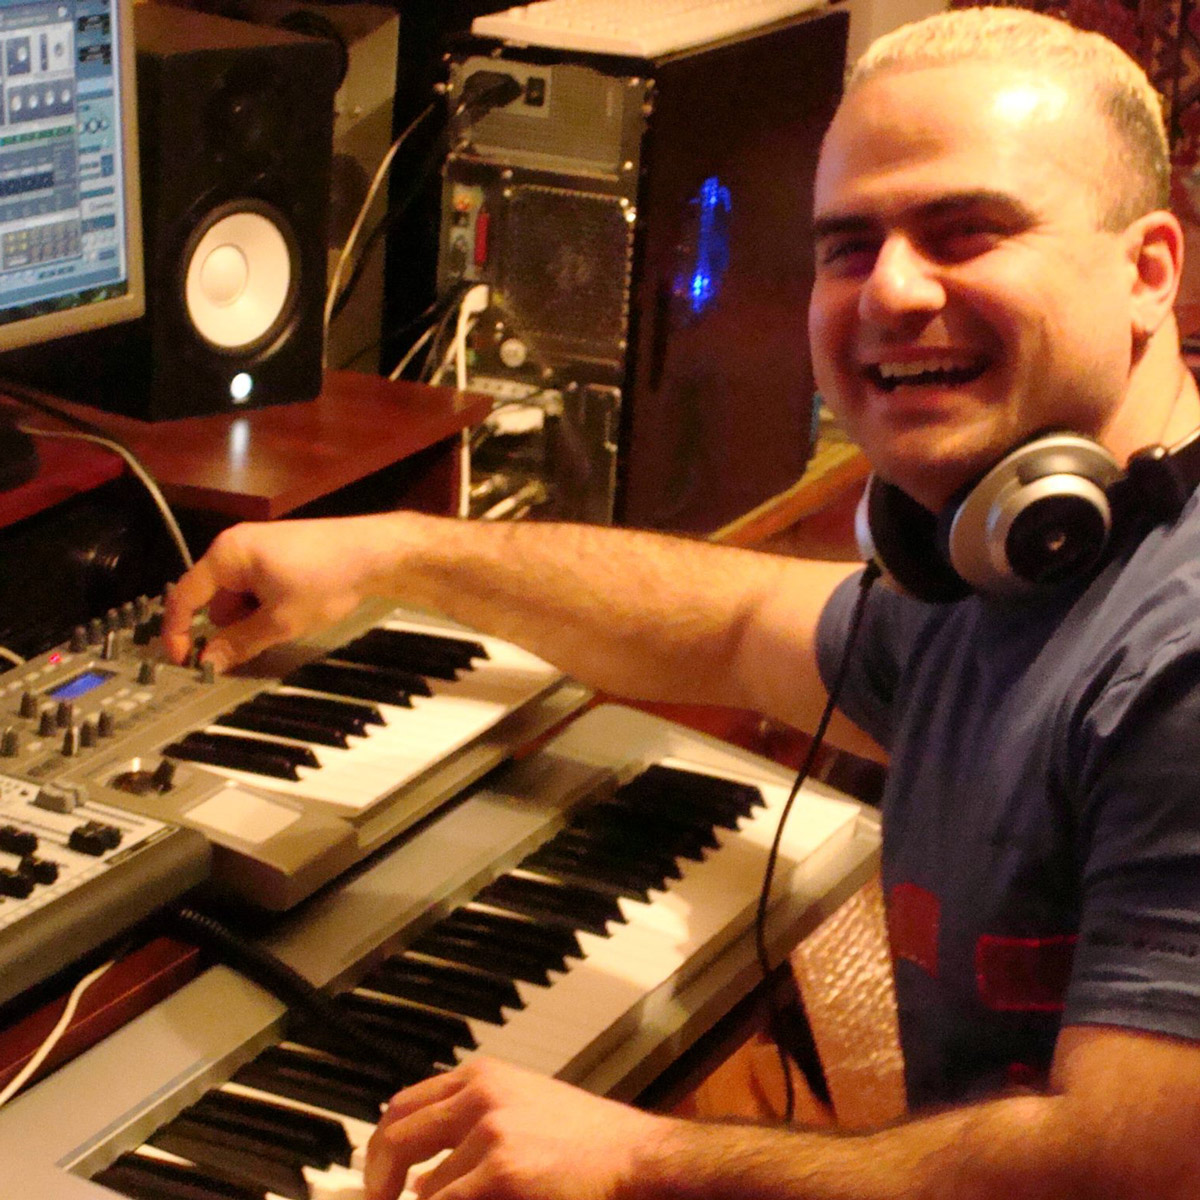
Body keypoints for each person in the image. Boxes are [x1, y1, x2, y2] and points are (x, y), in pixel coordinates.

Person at [162, 7, 1200, 1197]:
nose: (893, 291)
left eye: (966, 233)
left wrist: (638, 1157)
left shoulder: (1176, 654)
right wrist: (395, 551)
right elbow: (736, 626)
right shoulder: (1011, 560)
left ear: (1147, 273)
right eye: (848, 247)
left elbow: (1137, 1167)